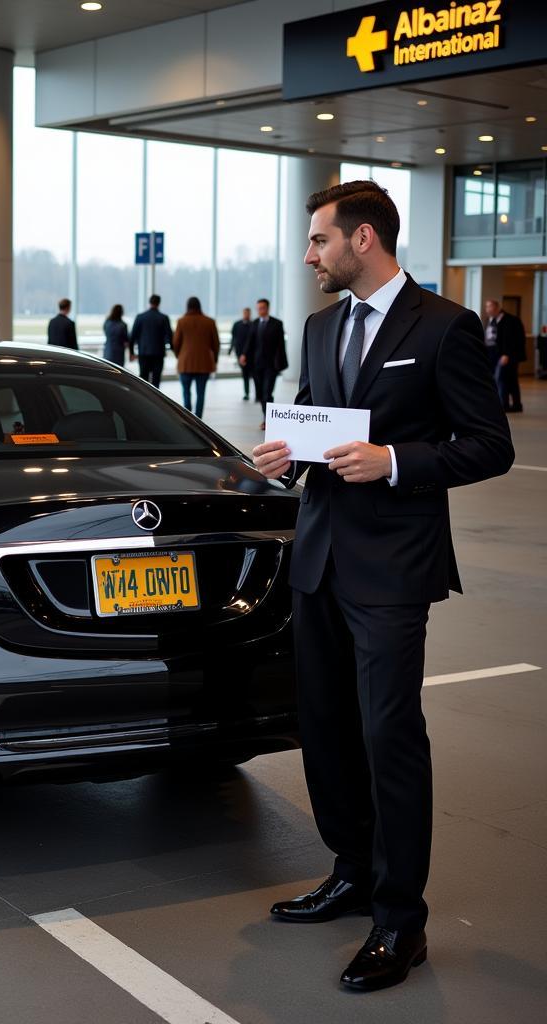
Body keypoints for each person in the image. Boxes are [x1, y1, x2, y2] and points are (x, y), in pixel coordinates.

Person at [251, 180, 513, 993]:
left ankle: (402, 921)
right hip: (320, 557)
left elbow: (488, 445)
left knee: (389, 735)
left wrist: (396, 461)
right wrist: (285, 450)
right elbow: (316, 419)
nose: (309, 255)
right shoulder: (321, 325)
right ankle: (352, 871)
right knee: (325, 727)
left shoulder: (445, 327)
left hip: (393, 570)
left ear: (364, 239)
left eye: (320, 240)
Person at [242, 298, 287, 429]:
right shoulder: (255, 323)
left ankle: (268, 420)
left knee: (267, 393)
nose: (260, 310)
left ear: (267, 308)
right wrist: (244, 355)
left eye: (262, 308)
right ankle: (266, 417)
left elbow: (280, 346)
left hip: (271, 366)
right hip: (257, 365)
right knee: (261, 394)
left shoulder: (277, 324)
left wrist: (280, 363)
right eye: (258, 308)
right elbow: (250, 342)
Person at [171, 297, 219, 417]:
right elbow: (216, 343)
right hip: (204, 363)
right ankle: (199, 419)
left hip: (185, 363)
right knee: (201, 394)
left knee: (186, 392)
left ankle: (188, 418)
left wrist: (179, 356)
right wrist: (215, 359)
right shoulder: (210, 322)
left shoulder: (181, 321)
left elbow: (176, 343)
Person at [484, 299, 525, 413]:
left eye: (489, 307)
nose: (487, 309)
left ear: (497, 307)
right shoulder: (490, 320)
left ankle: (507, 405)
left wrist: (507, 354)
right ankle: (510, 404)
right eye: (486, 307)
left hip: (506, 356)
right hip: (493, 355)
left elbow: (514, 340)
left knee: (505, 380)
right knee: (506, 380)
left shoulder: (511, 320)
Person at [130, 294, 173, 387]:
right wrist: (172, 348)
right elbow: (169, 336)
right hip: (158, 353)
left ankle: (143, 399)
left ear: (149, 302)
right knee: (156, 380)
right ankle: (154, 400)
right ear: (159, 303)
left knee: (143, 379)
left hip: (144, 353)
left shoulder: (140, 317)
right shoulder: (164, 318)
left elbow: (132, 336)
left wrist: (131, 352)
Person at [229, 307, 253, 400]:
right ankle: (246, 393)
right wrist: (231, 349)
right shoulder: (237, 324)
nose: (246, 315)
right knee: (245, 374)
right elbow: (233, 338)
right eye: (245, 313)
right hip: (240, 354)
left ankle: (257, 393)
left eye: (248, 313)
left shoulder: (253, 324)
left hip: (251, 354)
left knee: (254, 374)